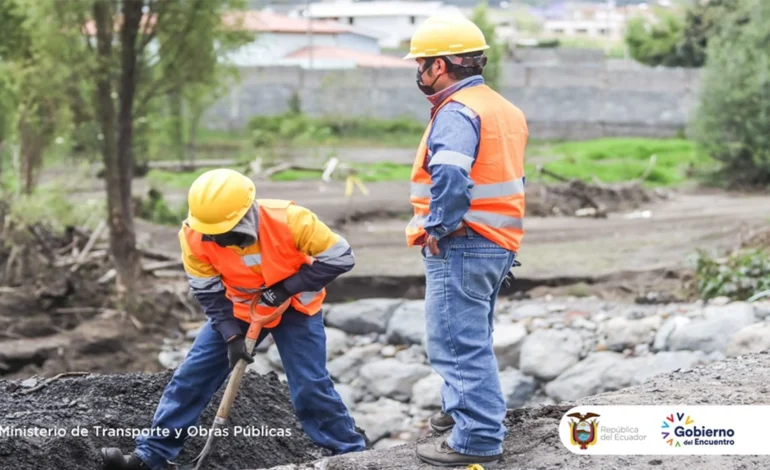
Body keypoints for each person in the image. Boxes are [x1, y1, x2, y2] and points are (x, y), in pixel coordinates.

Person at [100, 168, 366, 470]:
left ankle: (350, 455)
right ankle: (151, 457)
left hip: (295, 309)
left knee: (309, 384)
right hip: (238, 311)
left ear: (244, 216)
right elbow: (208, 291)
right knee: (191, 378)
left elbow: (342, 258)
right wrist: (230, 335)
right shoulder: (193, 236)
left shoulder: (291, 220)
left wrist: (284, 289)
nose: (216, 239)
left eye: (222, 232)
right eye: (209, 232)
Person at [402, 14, 528, 467]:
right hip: (497, 241)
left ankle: (475, 438)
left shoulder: (457, 112)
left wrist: (437, 227)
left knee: (454, 342)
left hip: (463, 242)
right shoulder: (502, 108)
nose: (418, 72)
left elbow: (452, 175)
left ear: (440, 66)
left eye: (420, 63)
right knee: (471, 337)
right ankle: (461, 416)